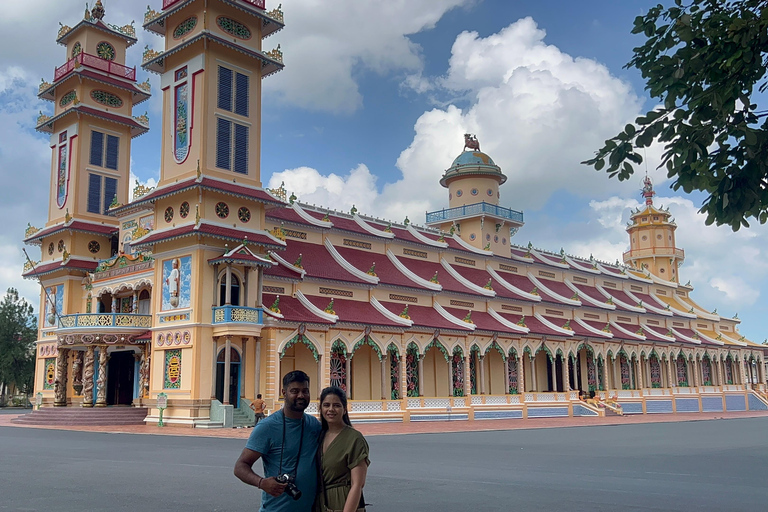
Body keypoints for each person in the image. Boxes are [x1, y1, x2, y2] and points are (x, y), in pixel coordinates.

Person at [235, 371, 321, 512]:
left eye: (305, 391)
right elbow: (240, 466)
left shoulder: (314, 425)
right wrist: (261, 483)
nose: (301, 395)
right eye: (295, 391)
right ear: (284, 393)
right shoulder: (267, 427)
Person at [315, 386, 369, 512]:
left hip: (343, 503)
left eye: (337, 405)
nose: (331, 409)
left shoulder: (354, 439)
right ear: (321, 408)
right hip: (321, 503)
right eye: (326, 405)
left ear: (344, 409)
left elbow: (357, 484)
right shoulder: (319, 436)